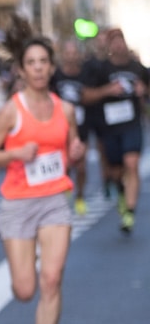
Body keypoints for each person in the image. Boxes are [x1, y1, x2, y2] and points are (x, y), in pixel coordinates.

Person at [0, 18, 84, 324]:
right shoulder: (12, 109)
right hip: (18, 203)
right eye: (31, 63)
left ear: (52, 68)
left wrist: (76, 152)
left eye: (43, 62)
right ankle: (26, 260)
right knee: (25, 290)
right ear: (21, 71)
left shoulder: (65, 109)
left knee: (51, 280)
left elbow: (71, 149)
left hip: (54, 199)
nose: (38, 68)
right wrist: (16, 153)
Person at [81, 26, 147, 233]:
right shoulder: (101, 70)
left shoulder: (137, 68)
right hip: (110, 127)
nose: (119, 45)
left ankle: (130, 212)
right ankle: (121, 193)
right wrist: (107, 90)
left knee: (132, 163)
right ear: (109, 47)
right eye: (114, 42)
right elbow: (85, 95)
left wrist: (144, 90)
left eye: (121, 40)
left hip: (132, 124)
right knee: (116, 171)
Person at [51, 38, 92, 214]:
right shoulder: (56, 76)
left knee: (81, 166)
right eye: (68, 53)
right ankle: (65, 191)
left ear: (79, 55)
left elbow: (91, 95)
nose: (71, 57)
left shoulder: (85, 75)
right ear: (63, 55)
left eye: (74, 53)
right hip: (61, 127)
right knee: (65, 164)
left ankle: (80, 197)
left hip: (82, 126)